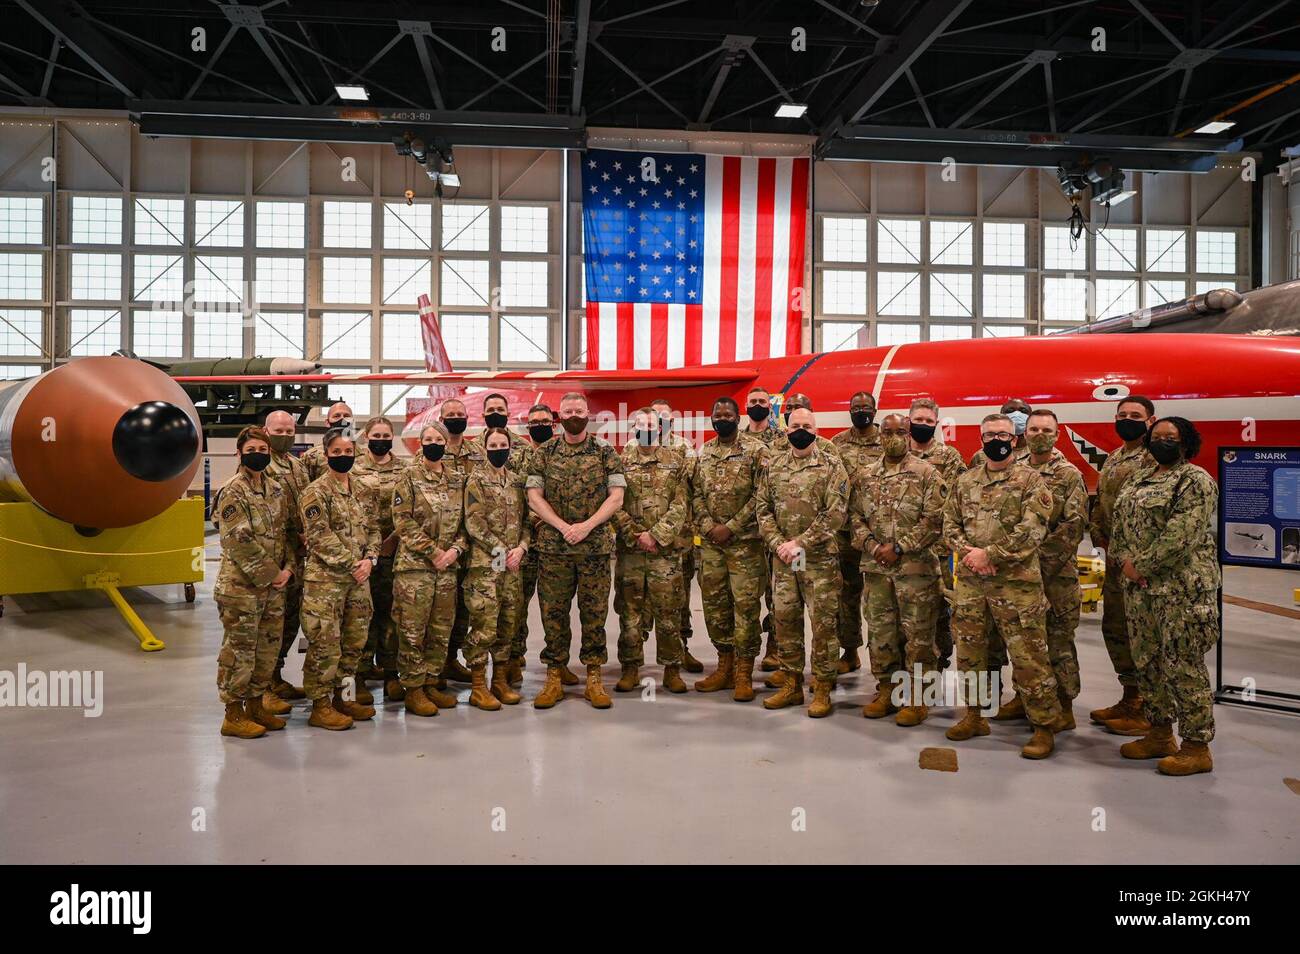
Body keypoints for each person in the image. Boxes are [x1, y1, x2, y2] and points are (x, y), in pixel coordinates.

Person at [943, 413, 1062, 759]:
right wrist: (969, 553)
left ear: (1015, 439)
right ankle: (975, 715)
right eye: (990, 434)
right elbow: (949, 524)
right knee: (970, 653)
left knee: (1029, 656)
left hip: (1016, 586)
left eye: (1004, 435)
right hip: (971, 584)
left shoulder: (1032, 482)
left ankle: (1043, 726)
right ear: (980, 439)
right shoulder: (965, 482)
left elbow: (1033, 529)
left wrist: (991, 554)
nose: (997, 439)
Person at [1108, 417, 1219, 776]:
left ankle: (1196, 746)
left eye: (1170, 437)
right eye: (1157, 437)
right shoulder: (1139, 477)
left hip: (1181, 591)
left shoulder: (1195, 480)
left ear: (1186, 443)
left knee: (1183, 666)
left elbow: (1181, 535)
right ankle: (1159, 734)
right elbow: (1119, 526)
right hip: (1141, 593)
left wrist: (1141, 565)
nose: (1162, 442)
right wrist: (1124, 561)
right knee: (1148, 663)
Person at [526, 391, 626, 709]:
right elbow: (533, 496)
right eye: (567, 410)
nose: (573, 415)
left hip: (594, 548)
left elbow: (617, 496)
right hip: (554, 549)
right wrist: (560, 525)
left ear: (588, 413)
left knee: (594, 615)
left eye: (578, 410)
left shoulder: (604, 450)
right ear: (560, 415)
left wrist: (587, 525)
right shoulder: (545, 453)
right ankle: (554, 675)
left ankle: (593, 677)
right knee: (553, 614)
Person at [849, 414, 944, 725]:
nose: (893, 436)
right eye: (887, 431)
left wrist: (899, 547)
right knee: (880, 633)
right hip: (877, 571)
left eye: (900, 431)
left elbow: (934, 520)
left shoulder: (927, 473)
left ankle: (919, 698)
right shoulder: (865, 476)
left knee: (918, 636)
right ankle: (887, 690)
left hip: (915, 571)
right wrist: (876, 548)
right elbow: (854, 519)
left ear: (909, 434)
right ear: (880, 435)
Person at [757, 408, 848, 717]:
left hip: (818, 559)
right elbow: (762, 508)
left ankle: (822, 687)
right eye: (795, 425)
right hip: (784, 560)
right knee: (785, 620)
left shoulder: (832, 465)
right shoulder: (774, 465)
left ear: (816, 429)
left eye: (806, 426)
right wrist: (778, 544)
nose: (800, 430)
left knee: (823, 624)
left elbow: (836, 513)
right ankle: (792, 684)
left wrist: (800, 543)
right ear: (786, 430)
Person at [214, 426, 295, 738]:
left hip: (273, 589)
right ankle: (233, 714)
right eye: (252, 450)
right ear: (239, 453)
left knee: (266, 651)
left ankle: (257, 705)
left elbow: (287, 533)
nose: (258, 455)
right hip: (242, 590)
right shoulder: (232, 492)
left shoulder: (276, 489)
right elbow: (239, 541)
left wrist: (287, 569)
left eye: (263, 450)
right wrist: (274, 574)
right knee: (240, 652)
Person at [298, 427, 381, 730]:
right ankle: (320, 706)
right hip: (326, 583)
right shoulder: (314, 492)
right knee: (325, 644)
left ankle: (343, 698)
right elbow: (320, 536)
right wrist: (353, 564)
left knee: (353, 644)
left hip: (359, 580)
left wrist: (370, 559)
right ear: (326, 454)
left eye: (348, 452)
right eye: (337, 452)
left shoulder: (362, 489)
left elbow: (373, 528)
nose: (343, 457)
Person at [1088, 395, 1158, 733]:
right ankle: (1130, 697)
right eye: (1121, 414)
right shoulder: (1116, 457)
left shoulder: (1155, 457)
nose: (1127, 419)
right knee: (1116, 628)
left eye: (1135, 415)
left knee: (1143, 633)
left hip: (1141, 564)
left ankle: (1149, 709)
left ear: (1150, 420)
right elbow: (1102, 500)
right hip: (1116, 560)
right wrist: (1098, 533)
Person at [692, 397, 767, 701]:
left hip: (745, 546)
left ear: (738, 417)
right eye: (717, 414)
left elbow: (762, 495)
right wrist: (710, 526)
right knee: (715, 606)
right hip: (711, 547)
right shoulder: (706, 451)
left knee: (746, 607)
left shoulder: (756, 450)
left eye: (727, 414)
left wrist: (731, 527)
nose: (722, 418)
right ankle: (724, 664)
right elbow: (695, 493)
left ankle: (744, 671)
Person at [612, 407, 691, 694]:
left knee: (669, 613)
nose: (645, 428)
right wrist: (636, 535)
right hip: (631, 553)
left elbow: (682, 504)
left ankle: (672, 669)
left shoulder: (676, 461)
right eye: (639, 424)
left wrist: (656, 535)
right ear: (632, 428)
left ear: (660, 428)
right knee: (629, 614)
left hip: (664, 554)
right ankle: (630, 668)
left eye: (650, 424)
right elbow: (614, 505)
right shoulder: (620, 462)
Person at [390, 423, 466, 717]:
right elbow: (403, 521)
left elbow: (465, 523)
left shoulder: (457, 480)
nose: (434, 443)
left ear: (447, 444)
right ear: (420, 443)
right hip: (415, 569)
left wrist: (454, 551)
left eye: (439, 439)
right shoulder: (407, 477)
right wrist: (433, 552)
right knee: (412, 630)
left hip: (447, 568)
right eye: (429, 439)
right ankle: (414, 689)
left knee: (440, 629)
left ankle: (433, 681)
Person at [1024, 410, 1088, 729]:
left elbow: (1073, 527)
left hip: (1056, 576)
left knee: (1059, 642)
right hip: (1019, 579)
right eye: (1033, 428)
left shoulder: (1068, 474)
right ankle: (1026, 698)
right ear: (1024, 433)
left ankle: (1065, 706)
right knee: (1026, 643)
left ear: (1057, 434)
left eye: (1045, 429)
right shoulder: (1016, 471)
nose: (1039, 434)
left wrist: (1035, 561)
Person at [462, 427, 530, 709]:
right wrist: (501, 549)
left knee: (508, 623)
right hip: (486, 566)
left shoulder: (516, 481)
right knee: (484, 624)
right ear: (485, 448)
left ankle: (499, 681)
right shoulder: (475, 480)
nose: (499, 448)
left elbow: (527, 521)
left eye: (504, 444)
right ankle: (478, 686)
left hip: (512, 567)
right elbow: (473, 522)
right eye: (494, 444)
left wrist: (522, 548)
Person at [908, 397, 966, 670]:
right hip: (904, 551)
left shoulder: (949, 457)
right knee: (909, 612)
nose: (923, 425)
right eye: (918, 420)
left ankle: (939, 661)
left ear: (936, 424)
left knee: (940, 610)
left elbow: (953, 500)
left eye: (928, 421)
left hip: (937, 549)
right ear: (909, 420)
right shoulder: (897, 455)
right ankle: (909, 669)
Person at [831, 390, 883, 674]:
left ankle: (883, 658)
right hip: (845, 531)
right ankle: (850, 651)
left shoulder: (887, 440)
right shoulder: (837, 443)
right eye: (855, 407)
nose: (860, 410)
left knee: (877, 598)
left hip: (878, 533)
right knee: (846, 593)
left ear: (875, 411)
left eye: (865, 407)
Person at [352, 416, 404, 699]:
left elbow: (411, 510)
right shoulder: (355, 468)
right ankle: (359, 674)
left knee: (390, 615)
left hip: (395, 552)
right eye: (376, 434)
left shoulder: (405, 470)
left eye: (386, 434)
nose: (381, 439)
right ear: (366, 437)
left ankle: (390, 674)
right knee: (362, 615)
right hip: (361, 556)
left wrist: (392, 540)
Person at [651, 397, 703, 673]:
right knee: (641, 602)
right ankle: (633, 660)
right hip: (644, 541)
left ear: (673, 421)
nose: (660, 421)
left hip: (679, 540)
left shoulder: (685, 448)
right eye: (655, 416)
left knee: (679, 597)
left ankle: (682, 649)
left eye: (665, 416)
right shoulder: (637, 447)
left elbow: (691, 491)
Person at [436, 398, 485, 687]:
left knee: (466, 607)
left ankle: (452, 659)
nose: (455, 418)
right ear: (441, 419)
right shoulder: (432, 451)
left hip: (472, 541)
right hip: (444, 544)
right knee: (442, 606)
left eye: (459, 414)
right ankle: (436, 665)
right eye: (449, 415)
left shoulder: (478, 453)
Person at [263, 409, 309, 706]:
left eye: (288, 431)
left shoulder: (298, 467)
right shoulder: (259, 465)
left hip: (297, 559)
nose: (284, 436)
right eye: (278, 432)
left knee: (289, 623)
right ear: (265, 431)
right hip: (272, 560)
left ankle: (276, 678)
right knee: (268, 626)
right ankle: (262, 688)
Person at [511, 403, 556, 686]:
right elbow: (512, 498)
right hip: (526, 543)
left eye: (545, 420)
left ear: (554, 424)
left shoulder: (563, 456)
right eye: (535, 421)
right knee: (517, 606)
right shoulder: (517, 459)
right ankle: (514, 660)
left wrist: (552, 519)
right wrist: (536, 517)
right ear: (528, 427)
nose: (540, 424)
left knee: (554, 608)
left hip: (555, 544)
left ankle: (556, 662)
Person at [969, 399, 1033, 466]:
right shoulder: (981, 456)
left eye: (1023, 411)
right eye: (1010, 411)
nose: (1017, 414)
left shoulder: (1038, 453)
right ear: (1002, 416)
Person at [301, 402, 354, 482]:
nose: (342, 419)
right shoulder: (310, 457)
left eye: (346, 416)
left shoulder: (365, 455)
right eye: (337, 416)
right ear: (327, 423)